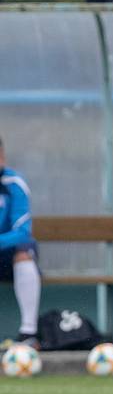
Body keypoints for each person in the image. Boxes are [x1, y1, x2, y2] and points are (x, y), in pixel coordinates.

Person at [0, 136, 41, 349]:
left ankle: (28, 333)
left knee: (24, 252)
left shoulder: (14, 183)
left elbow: (22, 232)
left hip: (7, 254)